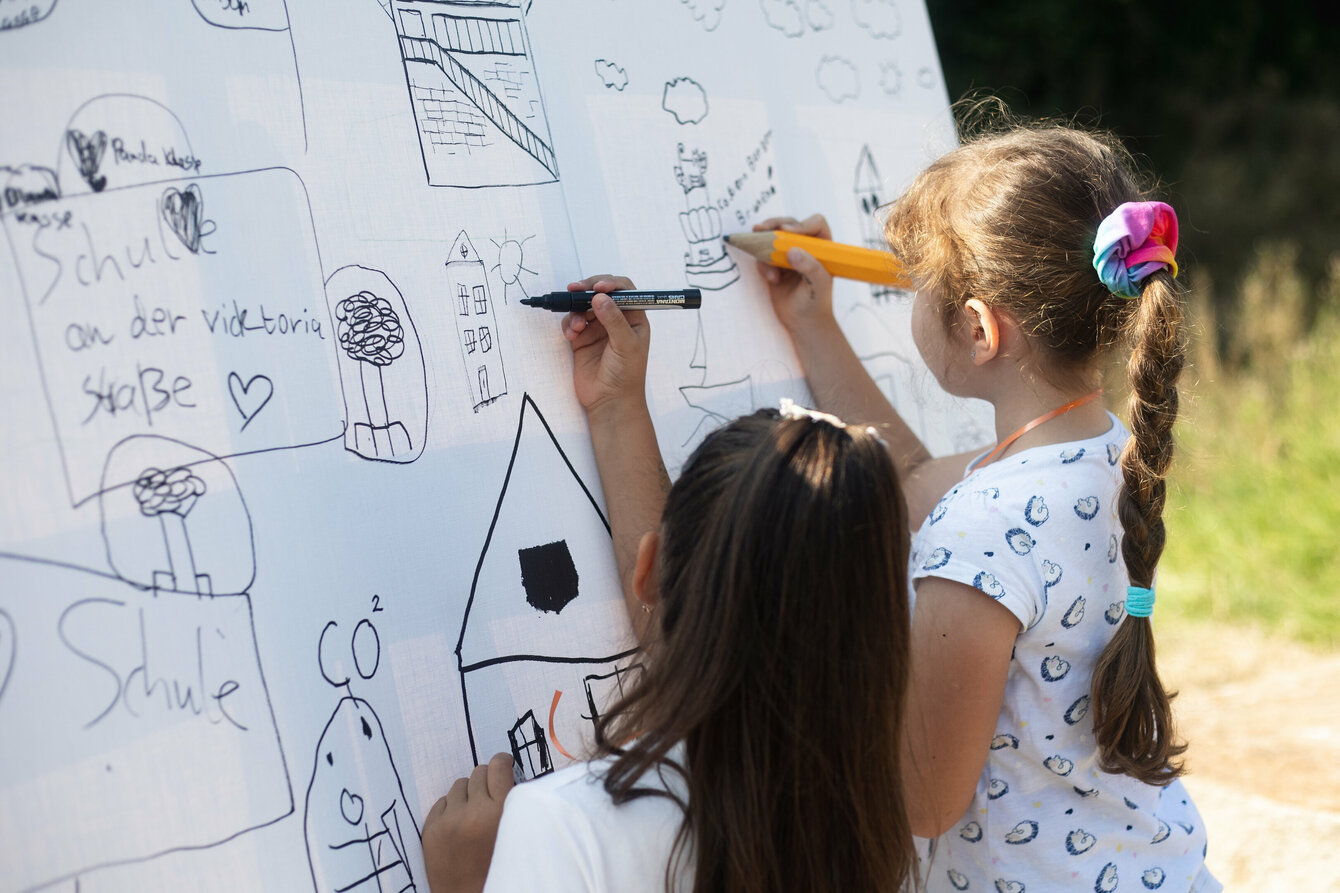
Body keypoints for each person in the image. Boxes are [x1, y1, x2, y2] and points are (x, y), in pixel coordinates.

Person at [753, 108, 1219, 892]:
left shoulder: (981, 528)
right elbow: (907, 482)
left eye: (917, 283)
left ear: (977, 329)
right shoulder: (1107, 453)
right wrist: (813, 326)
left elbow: (925, 800)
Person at [422, 278, 919, 893]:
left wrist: (467, 885)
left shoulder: (570, 828)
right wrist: (616, 407)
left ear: (649, 567)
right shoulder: (877, 801)